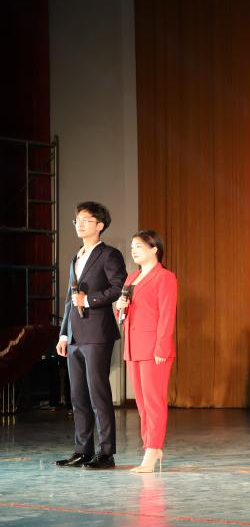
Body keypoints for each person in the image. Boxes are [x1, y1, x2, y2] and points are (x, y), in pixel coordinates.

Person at [55, 202, 127, 469]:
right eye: (77, 220)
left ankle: (106, 453)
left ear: (100, 225)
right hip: (75, 336)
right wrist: (64, 335)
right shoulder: (76, 257)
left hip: (97, 333)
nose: (80, 224)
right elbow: (69, 299)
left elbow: (118, 288)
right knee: (78, 396)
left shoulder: (109, 255)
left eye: (86, 220)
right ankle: (82, 450)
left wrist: (88, 300)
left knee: (98, 394)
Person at [115, 230, 178, 473]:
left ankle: (152, 450)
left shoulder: (165, 277)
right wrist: (120, 308)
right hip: (133, 346)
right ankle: (150, 447)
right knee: (141, 404)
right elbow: (124, 316)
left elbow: (167, 315)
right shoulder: (131, 277)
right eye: (132, 247)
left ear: (154, 249)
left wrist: (162, 346)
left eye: (139, 246)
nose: (134, 251)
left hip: (154, 349)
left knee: (154, 402)